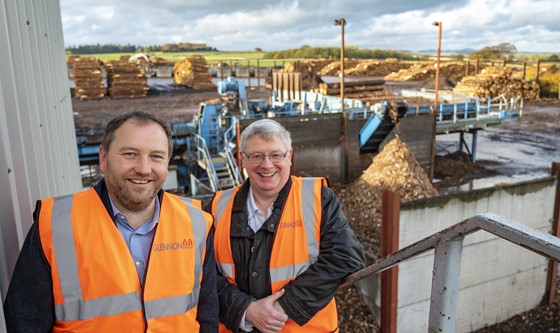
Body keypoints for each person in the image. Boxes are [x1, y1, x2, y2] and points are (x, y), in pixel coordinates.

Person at [3, 111, 218, 332]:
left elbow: (207, 316)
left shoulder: (197, 223)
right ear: (103, 159)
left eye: (156, 156)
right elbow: (25, 322)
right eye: (130, 154)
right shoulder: (55, 225)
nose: (144, 168)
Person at [208, 119, 365, 332]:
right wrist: (246, 310)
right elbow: (201, 272)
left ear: (289, 157)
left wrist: (281, 308)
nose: (267, 164)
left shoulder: (318, 198)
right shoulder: (217, 207)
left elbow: (345, 256)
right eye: (256, 156)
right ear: (241, 160)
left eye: (276, 155)